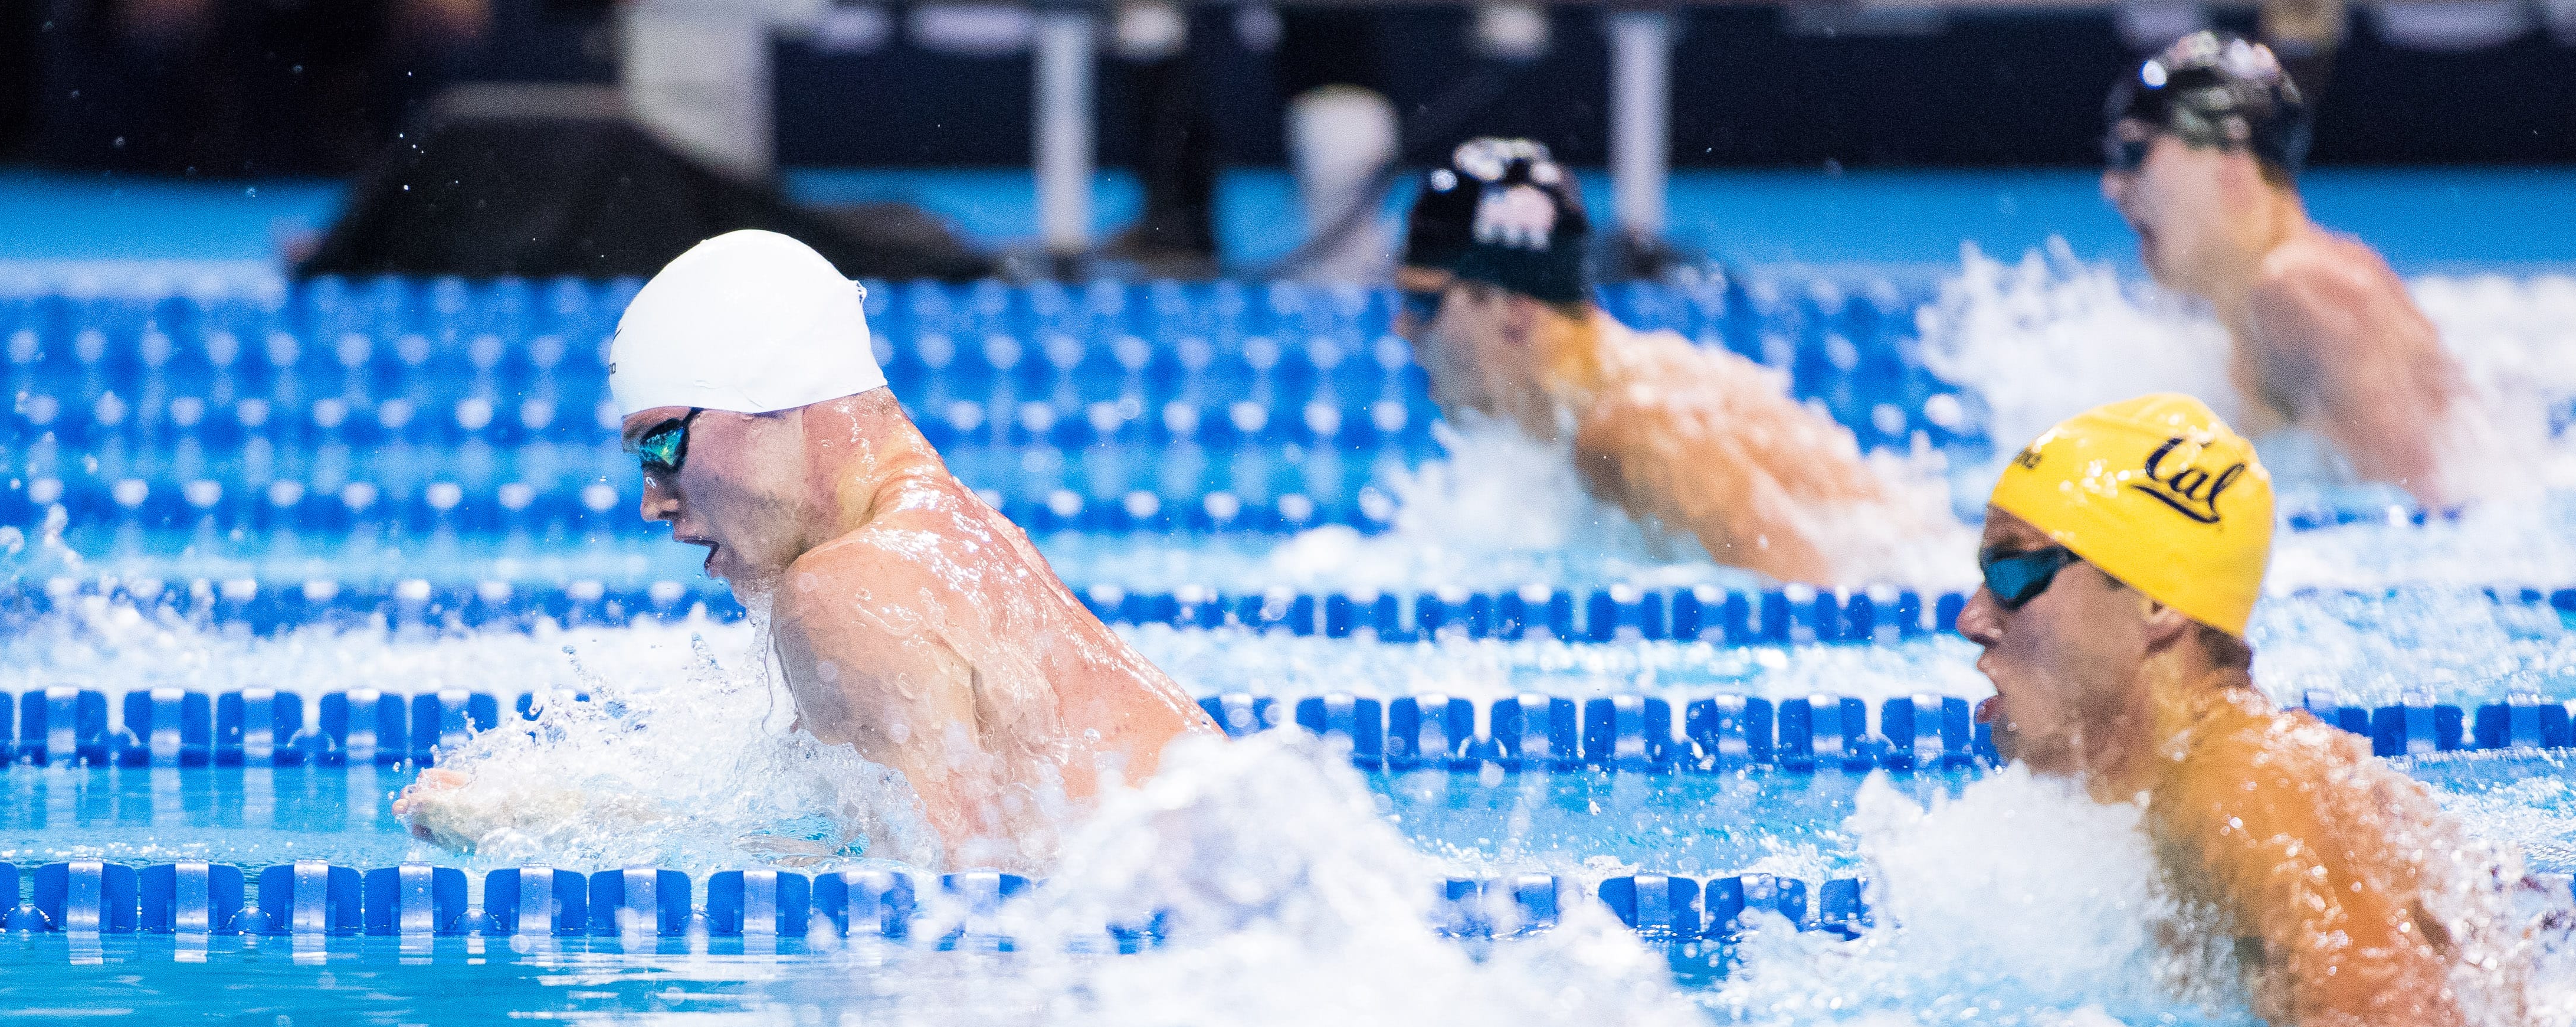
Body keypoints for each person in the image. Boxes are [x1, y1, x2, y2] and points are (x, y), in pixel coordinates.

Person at [396, 230, 1218, 866]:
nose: (652, 500)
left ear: (773, 400)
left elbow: (955, 917)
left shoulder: (847, 593)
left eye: (661, 444)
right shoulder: (950, 543)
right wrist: (554, 819)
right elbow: (904, 847)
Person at [1954, 391, 2573, 1027]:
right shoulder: (2210, 779)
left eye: (2011, 570)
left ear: (2155, 600)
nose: (1971, 618)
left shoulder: (2239, 787)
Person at [1394, 138, 1948, 587]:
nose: (1401, 327)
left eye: (1422, 303)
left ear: (1515, 308)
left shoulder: (1636, 427)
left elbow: (1807, 602)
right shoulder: (1583, 408)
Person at [2100, 31, 2496, 510]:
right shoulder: (2254, 303)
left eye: (2133, 152)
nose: (2112, 187)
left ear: (2230, 153)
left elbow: (2427, 507)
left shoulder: (2300, 289)